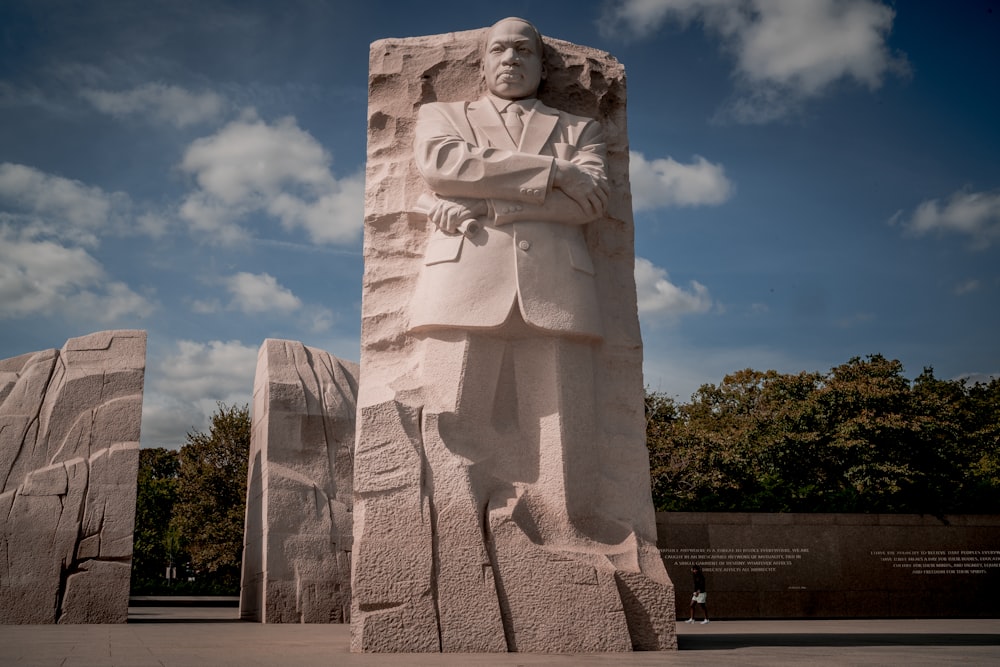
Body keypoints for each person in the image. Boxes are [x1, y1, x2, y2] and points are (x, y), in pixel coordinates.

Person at [408, 15, 614, 549]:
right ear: (481, 63)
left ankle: (566, 530)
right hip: (462, 281)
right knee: (451, 417)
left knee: (563, 426)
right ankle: (452, 536)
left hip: (558, 291)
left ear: (542, 66)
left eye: (524, 50)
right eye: (499, 49)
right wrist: (554, 173)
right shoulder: (443, 115)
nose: (510, 58)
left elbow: (589, 203)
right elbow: (442, 163)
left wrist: (485, 200)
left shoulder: (580, 129)